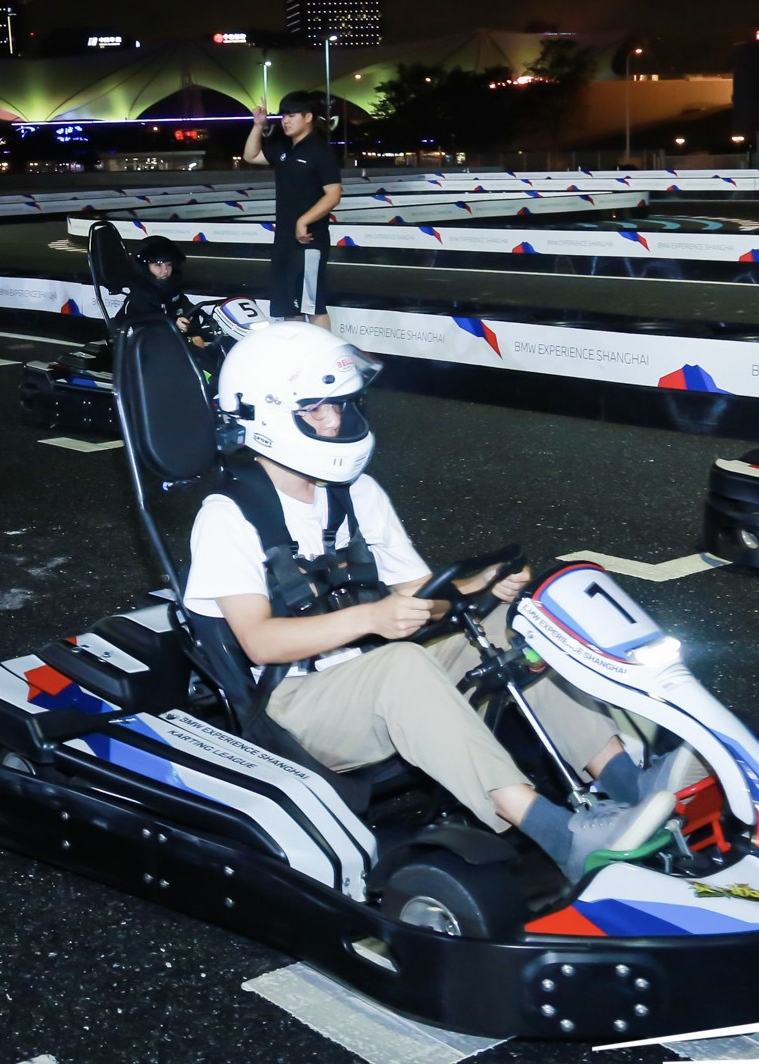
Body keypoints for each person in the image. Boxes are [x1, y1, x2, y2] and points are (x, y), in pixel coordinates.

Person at [187, 322, 688, 881]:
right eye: (315, 409)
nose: (334, 421)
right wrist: (373, 617)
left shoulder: (357, 493)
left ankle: (629, 783)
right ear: (262, 415)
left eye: (341, 405)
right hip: (296, 704)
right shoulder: (228, 515)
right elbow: (259, 641)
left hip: (374, 672)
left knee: (513, 626)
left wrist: (483, 587)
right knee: (401, 665)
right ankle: (560, 835)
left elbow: (424, 597)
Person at [243, 89, 342, 327]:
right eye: (283, 116)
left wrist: (303, 221)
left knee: (313, 304)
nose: (285, 121)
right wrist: (258, 126)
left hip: (309, 240)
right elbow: (251, 156)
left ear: (308, 117)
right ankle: (298, 349)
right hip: (284, 240)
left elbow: (334, 194)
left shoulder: (320, 151)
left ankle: (322, 349)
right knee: (288, 304)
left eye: (291, 115)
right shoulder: (282, 147)